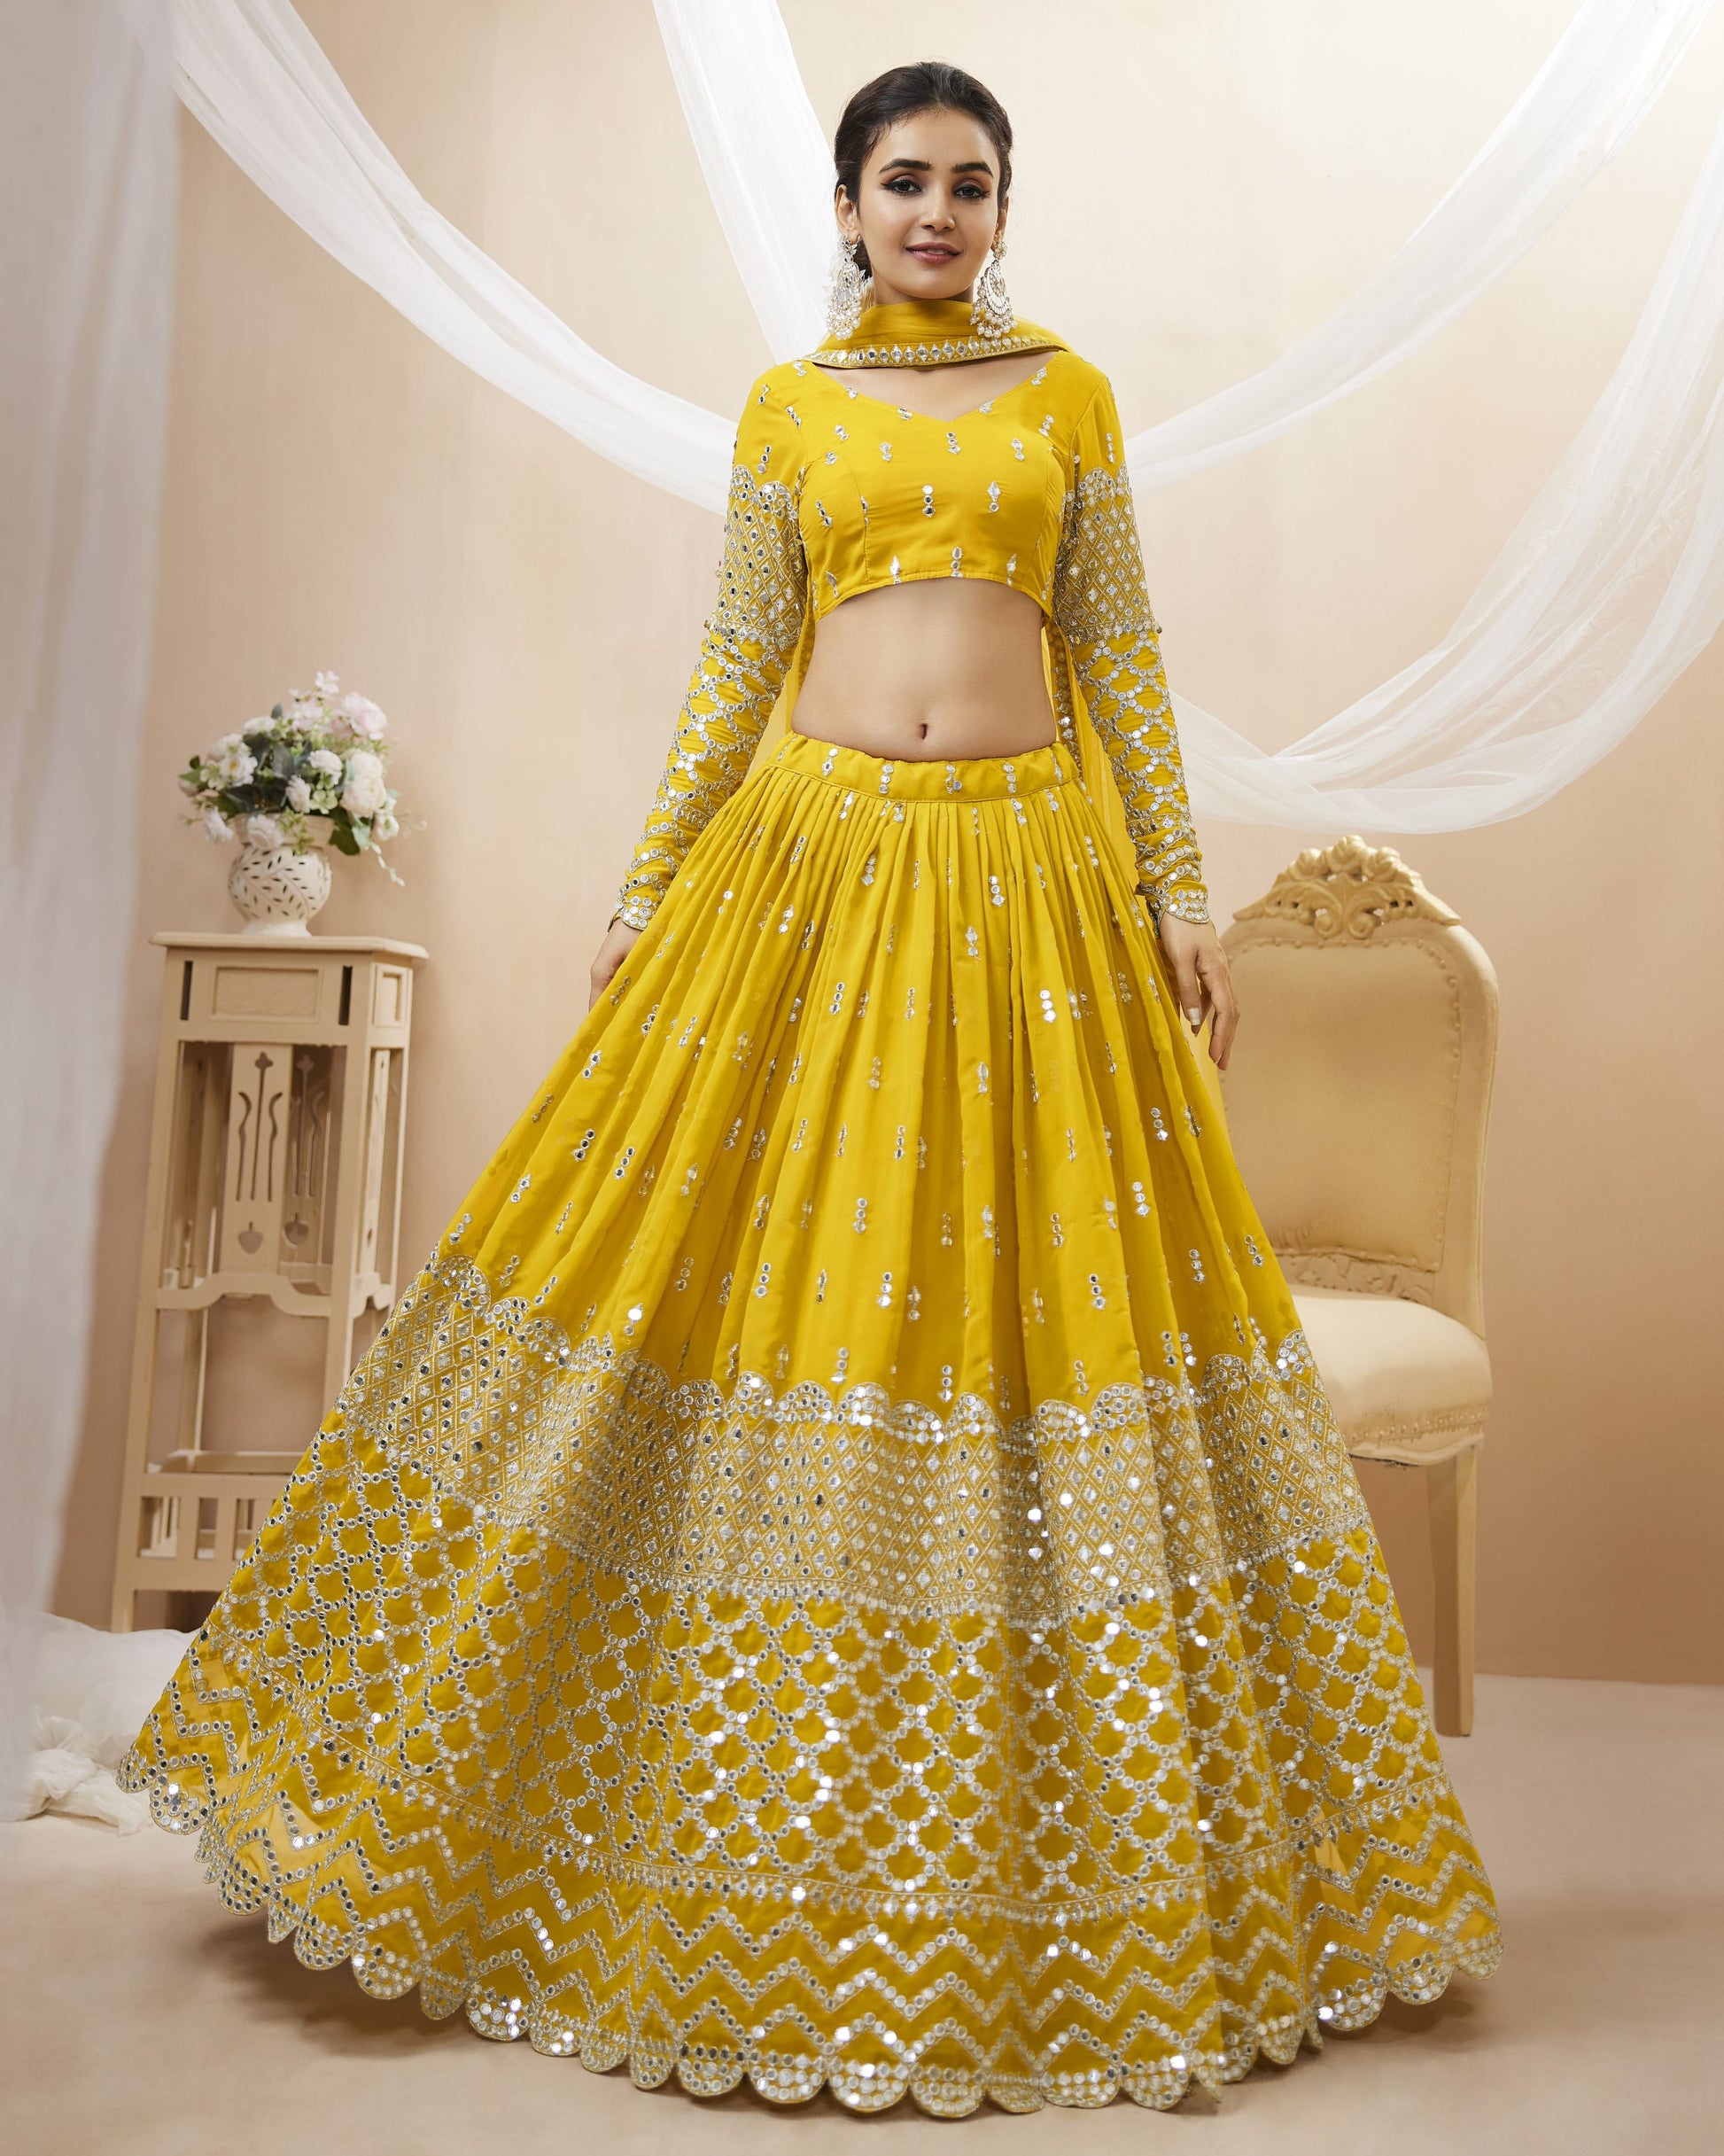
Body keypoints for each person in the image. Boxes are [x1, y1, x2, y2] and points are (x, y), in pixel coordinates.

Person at [123, 60, 1500, 2119]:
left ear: (998, 208)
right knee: (715, 1288)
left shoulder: (1068, 397)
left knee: (1025, 1321)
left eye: (968, 184)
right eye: (903, 182)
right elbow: (734, 651)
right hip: (807, 864)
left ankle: (1053, 1869)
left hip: (1029, 879)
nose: (936, 213)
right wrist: (649, 879)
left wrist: (1182, 891)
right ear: (847, 207)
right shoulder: (790, 406)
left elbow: (1117, 644)